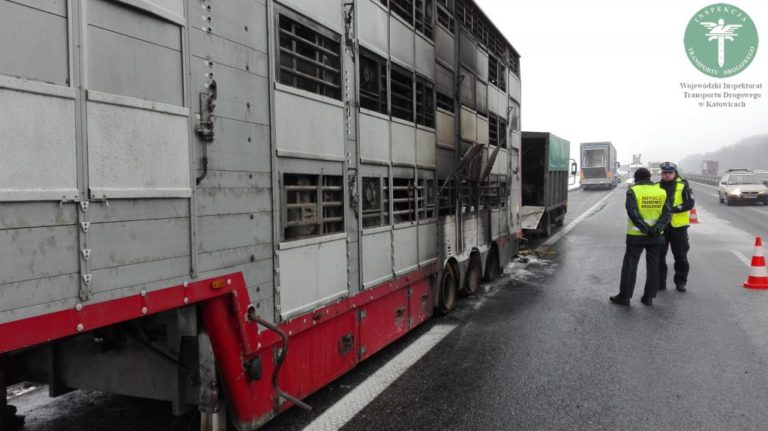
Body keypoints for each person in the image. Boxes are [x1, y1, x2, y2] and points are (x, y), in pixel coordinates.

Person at [610, 168, 672, 306]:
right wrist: (656, 229)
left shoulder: (633, 191)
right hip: (656, 237)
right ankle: (649, 297)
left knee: (630, 266)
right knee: (653, 266)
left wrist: (645, 229)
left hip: (636, 236)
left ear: (636, 179)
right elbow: (667, 214)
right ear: (650, 178)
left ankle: (624, 297)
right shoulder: (661, 192)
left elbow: (633, 213)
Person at [657, 162, 694, 292]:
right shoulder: (656, 187)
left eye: (670, 173)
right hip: (661, 227)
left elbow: (690, 203)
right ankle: (660, 282)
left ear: (675, 173)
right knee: (659, 257)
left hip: (678, 227)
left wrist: (673, 210)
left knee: (681, 257)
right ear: (661, 173)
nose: (667, 175)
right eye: (664, 172)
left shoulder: (683, 185)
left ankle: (681, 282)